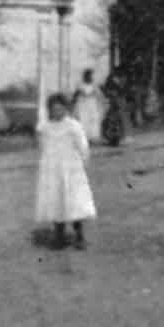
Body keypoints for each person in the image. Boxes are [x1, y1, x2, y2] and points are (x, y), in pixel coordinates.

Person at [34, 93, 97, 249]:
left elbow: (83, 146)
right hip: (53, 169)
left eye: (60, 109)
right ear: (49, 110)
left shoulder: (73, 126)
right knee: (56, 201)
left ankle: (79, 235)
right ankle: (59, 235)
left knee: (74, 201)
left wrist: (83, 161)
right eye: (53, 109)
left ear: (66, 109)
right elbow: (42, 146)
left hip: (71, 169)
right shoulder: (45, 127)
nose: (57, 112)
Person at [72, 69, 106, 143]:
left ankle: (92, 138)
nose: (90, 77)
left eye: (91, 76)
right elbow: (75, 96)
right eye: (88, 76)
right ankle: (84, 138)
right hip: (83, 106)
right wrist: (78, 97)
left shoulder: (94, 85)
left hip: (92, 105)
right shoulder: (80, 85)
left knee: (93, 120)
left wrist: (102, 102)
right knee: (83, 120)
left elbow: (100, 96)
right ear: (85, 76)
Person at [100, 71, 128, 148]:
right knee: (112, 123)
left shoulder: (114, 89)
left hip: (114, 109)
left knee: (113, 123)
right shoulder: (113, 89)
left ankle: (113, 138)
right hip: (113, 109)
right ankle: (112, 138)